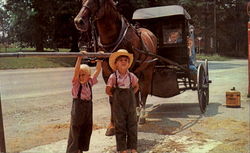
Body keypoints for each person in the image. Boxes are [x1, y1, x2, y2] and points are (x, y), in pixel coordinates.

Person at [66, 51, 102, 153]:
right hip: (78, 107)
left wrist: (99, 59)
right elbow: (76, 71)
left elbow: (98, 70)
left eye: (84, 75)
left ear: (88, 75)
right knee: (75, 128)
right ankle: (73, 150)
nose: (81, 77)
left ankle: (80, 149)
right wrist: (79, 58)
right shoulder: (76, 83)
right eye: (80, 75)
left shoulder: (90, 82)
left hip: (88, 107)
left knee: (86, 128)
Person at [106, 49, 139, 153]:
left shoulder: (131, 76)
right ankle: (122, 148)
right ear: (115, 64)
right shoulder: (113, 77)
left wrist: (130, 94)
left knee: (132, 123)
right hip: (118, 104)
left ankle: (133, 147)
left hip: (130, 103)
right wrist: (115, 96)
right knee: (120, 125)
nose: (123, 61)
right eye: (121, 60)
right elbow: (108, 90)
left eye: (126, 60)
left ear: (129, 64)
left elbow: (136, 87)